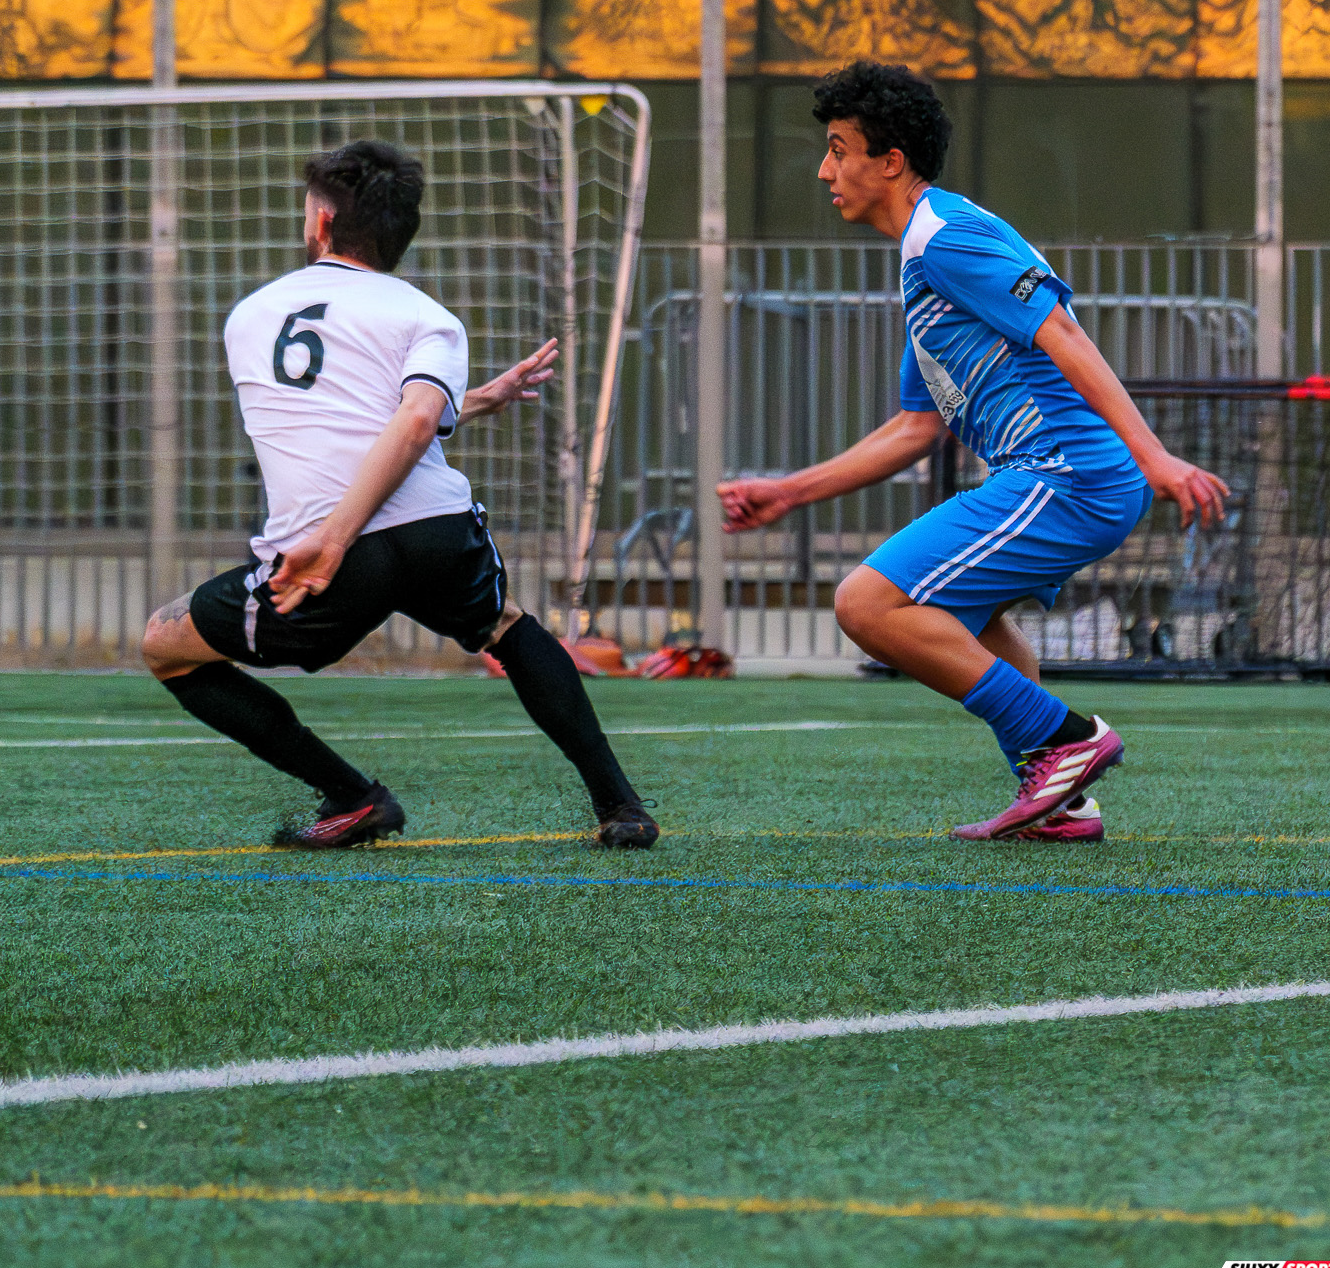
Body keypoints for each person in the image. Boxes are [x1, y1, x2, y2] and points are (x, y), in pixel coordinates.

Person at [717, 63, 1227, 843]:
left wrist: (1155, 457)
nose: (825, 170)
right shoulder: (924, 256)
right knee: (965, 617)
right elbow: (915, 427)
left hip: (1068, 475)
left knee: (867, 603)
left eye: (839, 149)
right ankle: (1061, 801)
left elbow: (1062, 332)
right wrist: (790, 492)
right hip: (1064, 477)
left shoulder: (945, 239)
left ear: (890, 161)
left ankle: (1066, 741)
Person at [140, 138, 658, 851]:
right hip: (435, 531)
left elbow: (360, 412)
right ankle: (620, 807)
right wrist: (471, 400)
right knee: (508, 628)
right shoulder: (427, 315)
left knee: (166, 648)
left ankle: (354, 797)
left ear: (321, 222)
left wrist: (332, 541)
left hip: (331, 555)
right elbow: (406, 414)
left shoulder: (251, 315)